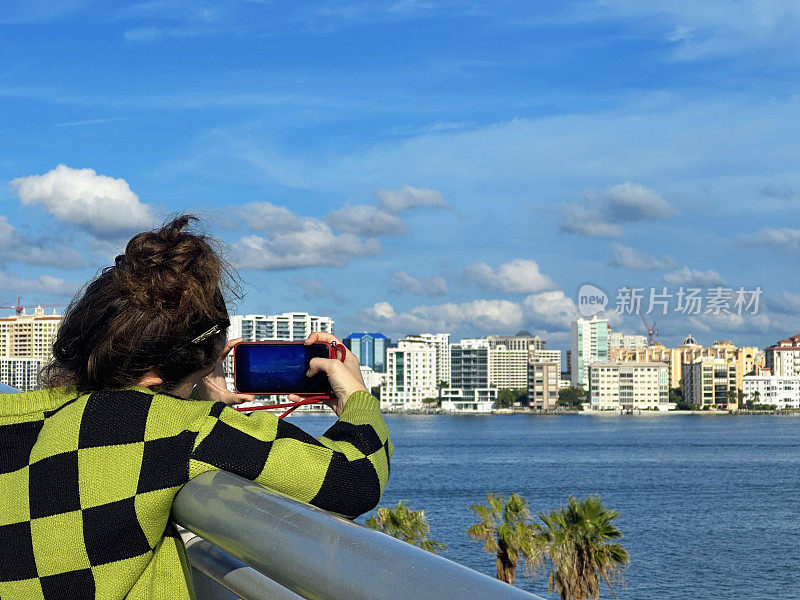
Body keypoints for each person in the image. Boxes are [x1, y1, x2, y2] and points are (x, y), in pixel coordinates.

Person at [0, 215, 392, 600]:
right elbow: (354, 478)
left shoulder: (12, 414)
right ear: (204, 358)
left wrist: (196, 394)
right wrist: (356, 396)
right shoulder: (181, 429)